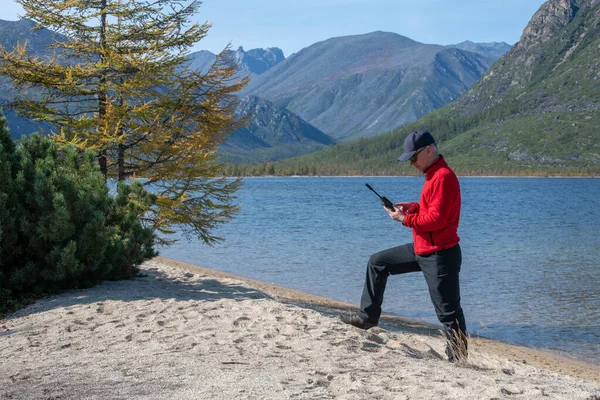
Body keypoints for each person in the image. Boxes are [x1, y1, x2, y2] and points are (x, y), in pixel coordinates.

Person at [341, 129, 468, 362]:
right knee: (377, 262)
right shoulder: (433, 175)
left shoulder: (443, 177)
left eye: (413, 157)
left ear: (428, 150)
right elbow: (431, 210)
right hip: (422, 248)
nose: (411, 163)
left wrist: (404, 219)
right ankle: (367, 318)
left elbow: (437, 220)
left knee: (449, 313)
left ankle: (458, 359)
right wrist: (413, 207)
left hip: (440, 254)